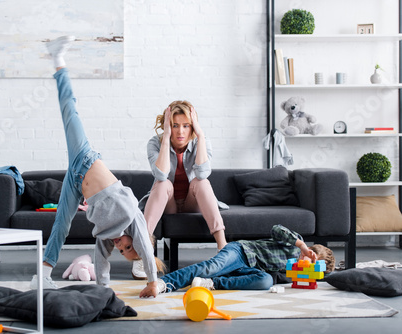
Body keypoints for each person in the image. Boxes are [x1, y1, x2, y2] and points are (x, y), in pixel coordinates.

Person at [30, 36, 164, 298]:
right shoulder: (132, 218)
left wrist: (103, 290)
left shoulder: (106, 236)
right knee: (71, 111)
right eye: (127, 247)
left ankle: (43, 275)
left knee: (62, 224)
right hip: (86, 159)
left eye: (123, 253)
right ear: (133, 238)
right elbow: (147, 251)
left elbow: (101, 262)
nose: (120, 248)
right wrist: (152, 281)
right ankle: (58, 59)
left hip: (76, 181)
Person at [132, 101, 228, 279]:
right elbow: (160, 174)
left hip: (193, 202)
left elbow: (202, 172)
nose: (180, 131)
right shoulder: (155, 143)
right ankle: (142, 253)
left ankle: (223, 250)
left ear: (193, 126)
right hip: (169, 203)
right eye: (175, 125)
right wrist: (166, 138)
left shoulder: (202, 141)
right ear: (168, 125)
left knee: (201, 182)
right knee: (163, 183)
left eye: (186, 125)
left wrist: (200, 136)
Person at [140, 224, 335, 296]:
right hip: (242, 252)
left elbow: (269, 279)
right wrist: (301, 246)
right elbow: (276, 229)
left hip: (247, 271)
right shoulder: (294, 243)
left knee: (266, 281)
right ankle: (164, 283)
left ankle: (212, 284)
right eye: (309, 257)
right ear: (310, 251)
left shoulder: (293, 275)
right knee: (212, 266)